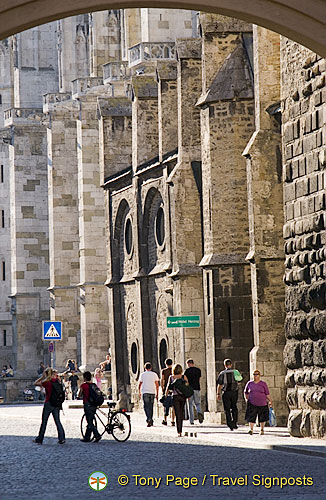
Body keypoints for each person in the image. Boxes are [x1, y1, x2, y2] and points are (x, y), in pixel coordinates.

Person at [33, 367, 66, 444]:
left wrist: (42, 377)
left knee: (44, 422)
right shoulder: (57, 382)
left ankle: (40, 439)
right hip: (57, 404)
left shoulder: (46, 383)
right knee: (58, 421)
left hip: (48, 403)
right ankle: (62, 438)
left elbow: (35, 383)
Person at [244, 370, 273, 435]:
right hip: (252, 403)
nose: (255, 376)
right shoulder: (249, 383)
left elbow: (267, 393)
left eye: (257, 374)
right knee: (251, 417)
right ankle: (251, 429)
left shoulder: (263, 384)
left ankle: (262, 429)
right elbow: (245, 392)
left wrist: (270, 401)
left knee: (262, 417)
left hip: (262, 403)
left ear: (259, 375)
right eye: (254, 374)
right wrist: (247, 399)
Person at [217, 359, 241, 431]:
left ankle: (229, 424)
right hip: (234, 392)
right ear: (231, 364)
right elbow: (239, 381)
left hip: (226, 392)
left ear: (224, 365)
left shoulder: (222, 373)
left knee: (227, 409)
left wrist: (218, 393)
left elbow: (220, 385)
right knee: (234, 407)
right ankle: (234, 422)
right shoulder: (235, 372)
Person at [166, 364, 189, 437]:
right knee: (181, 413)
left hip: (175, 396)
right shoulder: (183, 377)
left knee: (177, 413)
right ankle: (180, 429)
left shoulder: (171, 377)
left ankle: (179, 431)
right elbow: (187, 386)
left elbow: (168, 387)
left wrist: (165, 395)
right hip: (182, 396)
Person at [78, 371, 102, 442]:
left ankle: (97, 435)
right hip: (94, 404)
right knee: (90, 420)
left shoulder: (83, 386)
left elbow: (79, 395)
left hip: (87, 404)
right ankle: (87, 437)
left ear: (84, 378)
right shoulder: (94, 385)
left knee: (90, 421)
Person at [138, 362, 159, 427]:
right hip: (152, 392)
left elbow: (140, 384)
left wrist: (139, 392)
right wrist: (157, 393)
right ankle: (150, 419)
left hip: (145, 392)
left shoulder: (142, 374)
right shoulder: (154, 374)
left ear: (145, 368)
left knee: (146, 406)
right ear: (151, 367)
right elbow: (157, 384)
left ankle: (148, 418)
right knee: (151, 406)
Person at [184, 359, 204, 425]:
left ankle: (191, 420)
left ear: (188, 364)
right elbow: (199, 379)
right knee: (197, 403)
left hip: (190, 389)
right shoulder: (198, 370)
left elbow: (186, 381)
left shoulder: (186, 371)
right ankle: (199, 412)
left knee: (190, 405)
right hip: (197, 388)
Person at [160, 358, 175, 426]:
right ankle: (172, 420)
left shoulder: (164, 371)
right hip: (174, 389)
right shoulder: (174, 370)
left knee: (166, 405)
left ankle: (165, 420)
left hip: (166, 389)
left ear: (166, 364)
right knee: (173, 406)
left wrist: (163, 388)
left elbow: (162, 380)